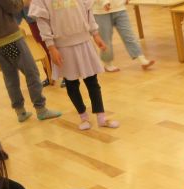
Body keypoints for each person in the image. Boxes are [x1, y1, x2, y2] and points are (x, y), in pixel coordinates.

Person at [29, 0, 119, 130]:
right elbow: (42, 21)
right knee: (71, 84)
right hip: (62, 46)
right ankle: (83, 117)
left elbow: (88, 12)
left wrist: (95, 34)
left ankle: (101, 118)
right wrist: (51, 47)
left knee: (92, 81)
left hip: (84, 42)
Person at [0, 0, 61, 123]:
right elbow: (12, 6)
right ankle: (41, 109)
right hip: (9, 37)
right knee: (31, 71)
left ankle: (20, 111)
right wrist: (23, 2)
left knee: (10, 76)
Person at [93, 0, 155, 72]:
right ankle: (108, 64)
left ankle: (142, 60)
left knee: (129, 35)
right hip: (101, 11)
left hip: (120, 8)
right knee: (105, 39)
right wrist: (104, 2)